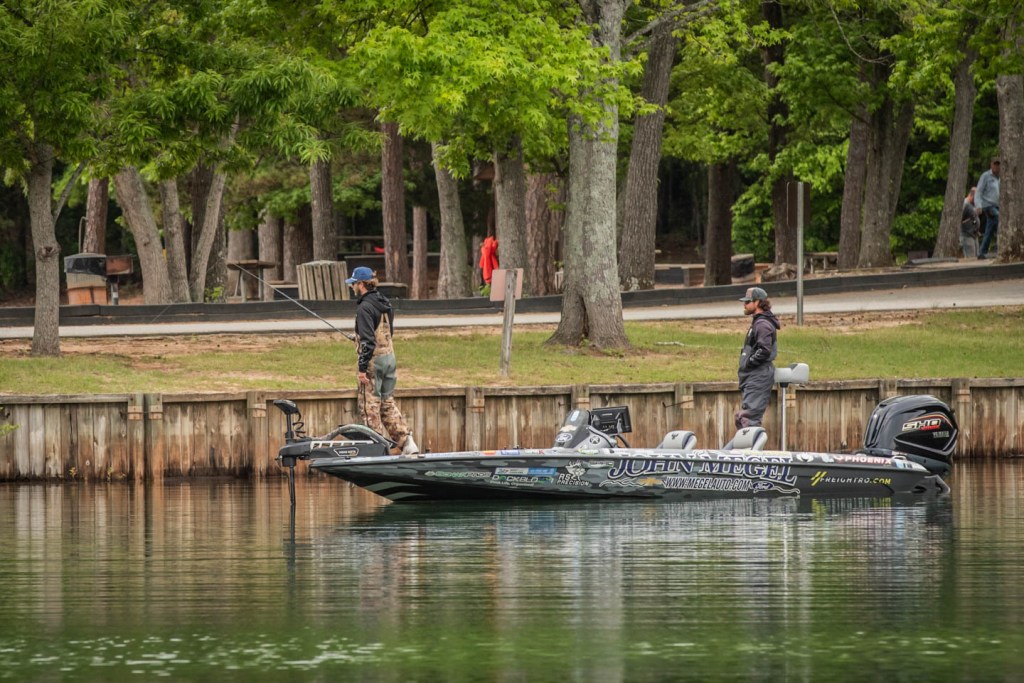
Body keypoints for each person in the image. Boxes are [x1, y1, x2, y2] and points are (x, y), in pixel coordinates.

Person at [346, 266, 419, 456]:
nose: (352, 287)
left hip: (374, 363)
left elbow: (369, 342)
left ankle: (376, 450)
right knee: (387, 403)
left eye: (353, 284)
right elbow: (386, 332)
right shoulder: (384, 302)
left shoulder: (364, 308)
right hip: (389, 359)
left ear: (361, 284)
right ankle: (407, 442)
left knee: (369, 407)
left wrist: (362, 369)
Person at [735, 286, 781, 429]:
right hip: (753, 376)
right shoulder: (758, 322)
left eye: (748, 301)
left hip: (758, 375)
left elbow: (764, 350)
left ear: (758, 303)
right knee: (744, 418)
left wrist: (749, 363)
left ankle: (752, 442)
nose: (744, 304)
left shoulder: (762, 324)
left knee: (748, 419)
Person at [976, 157, 1000, 258]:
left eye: (998, 165)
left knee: (991, 228)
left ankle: (983, 252)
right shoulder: (985, 176)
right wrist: (978, 205)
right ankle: (993, 248)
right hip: (988, 205)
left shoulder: (1001, 177)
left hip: (998, 206)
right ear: (991, 165)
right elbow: (978, 191)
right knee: (998, 218)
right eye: (995, 164)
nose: (996, 166)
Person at [961, 186, 981, 259]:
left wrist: (976, 226)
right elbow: (961, 219)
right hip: (967, 235)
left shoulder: (972, 205)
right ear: (972, 195)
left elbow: (973, 218)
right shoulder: (964, 204)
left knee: (977, 257)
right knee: (970, 258)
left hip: (974, 235)